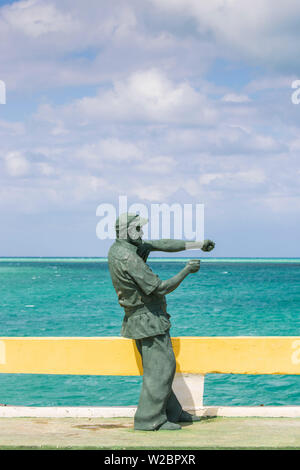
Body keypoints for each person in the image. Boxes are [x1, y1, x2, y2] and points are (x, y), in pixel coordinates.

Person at [108, 213, 215, 431]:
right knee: (162, 368)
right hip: (147, 318)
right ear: (127, 231)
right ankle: (149, 419)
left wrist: (198, 244)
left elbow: (164, 244)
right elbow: (160, 288)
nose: (142, 233)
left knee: (159, 367)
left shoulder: (123, 248)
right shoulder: (129, 258)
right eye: (138, 229)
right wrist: (186, 270)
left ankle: (172, 412)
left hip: (142, 318)